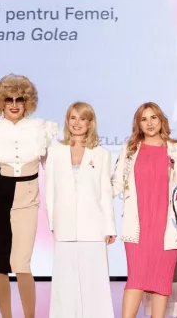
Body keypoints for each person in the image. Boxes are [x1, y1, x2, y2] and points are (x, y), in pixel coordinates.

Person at [0, 73, 58, 318]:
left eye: (19, 99)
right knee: (0, 264)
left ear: (27, 102)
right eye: (9, 99)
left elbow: (54, 169)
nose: (14, 105)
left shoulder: (40, 129)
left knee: (22, 263)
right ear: (0, 102)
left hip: (27, 198)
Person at [111, 102, 177, 318]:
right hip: (137, 227)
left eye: (153, 117)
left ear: (161, 119)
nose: (150, 123)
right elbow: (115, 184)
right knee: (136, 279)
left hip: (167, 228)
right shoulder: (130, 149)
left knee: (162, 281)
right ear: (138, 124)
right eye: (143, 119)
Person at [45, 102, 116, 318]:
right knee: (64, 284)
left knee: (95, 283)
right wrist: (52, 223)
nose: (77, 123)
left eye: (82, 118)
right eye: (73, 118)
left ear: (90, 123)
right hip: (64, 226)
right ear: (67, 121)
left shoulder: (101, 153)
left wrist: (109, 227)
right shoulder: (55, 152)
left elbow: (105, 193)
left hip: (93, 227)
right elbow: (50, 190)